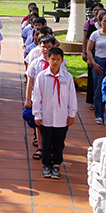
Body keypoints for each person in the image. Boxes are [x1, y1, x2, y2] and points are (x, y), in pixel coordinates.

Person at [32, 47, 77, 179]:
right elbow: (37, 97)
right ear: (48, 59)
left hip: (62, 118)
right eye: (53, 59)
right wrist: (37, 114)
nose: (55, 62)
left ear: (62, 60)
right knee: (46, 143)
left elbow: (72, 97)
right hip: (46, 117)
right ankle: (46, 165)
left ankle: (56, 164)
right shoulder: (42, 77)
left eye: (58, 59)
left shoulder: (67, 77)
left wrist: (71, 114)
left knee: (59, 143)